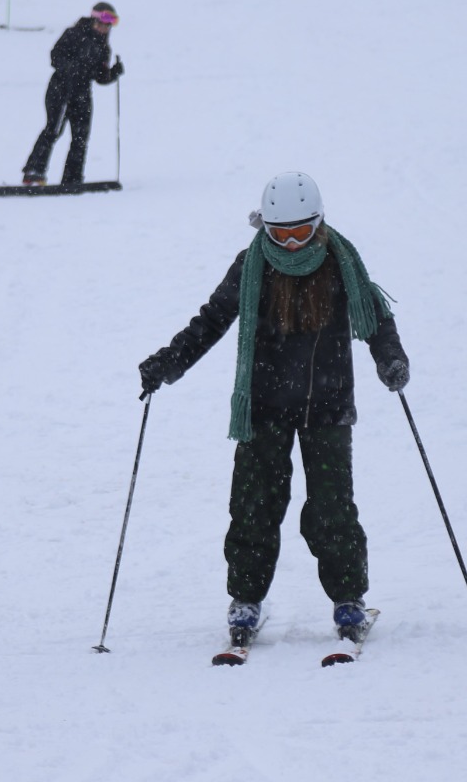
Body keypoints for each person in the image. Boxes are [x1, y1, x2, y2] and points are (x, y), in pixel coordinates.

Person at [137, 172, 410, 646]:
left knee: (332, 510)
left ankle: (348, 600)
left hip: (327, 406)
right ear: (264, 227)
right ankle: (245, 600)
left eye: (300, 232)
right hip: (263, 406)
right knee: (253, 506)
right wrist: (168, 363)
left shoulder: (340, 262)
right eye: (280, 233)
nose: (290, 244)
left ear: (318, 224)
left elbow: (376, 317)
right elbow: (212, 320)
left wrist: (390, 358)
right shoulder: (252, 265)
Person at [21, 3, 124, 186]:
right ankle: (34, 171)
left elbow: (100, 76)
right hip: (61, 88)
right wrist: (71, 68)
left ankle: (72, 178)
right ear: (94, 20)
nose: (105, 28)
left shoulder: (103, 47)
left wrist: (113, 73)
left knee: (80, 137)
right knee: (53, 129)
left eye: (109, 24)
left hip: (82, 93)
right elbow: (55, 56)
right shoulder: (75, 34)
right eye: (103, 22)